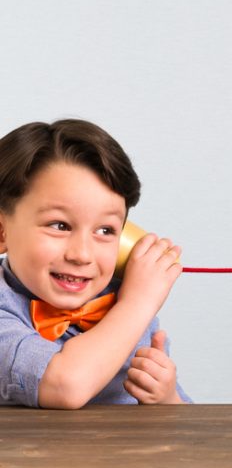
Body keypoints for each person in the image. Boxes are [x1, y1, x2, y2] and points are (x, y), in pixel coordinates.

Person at [0, 119, 190, 407]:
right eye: (59, 225)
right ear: (3, 232)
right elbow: (65, 386)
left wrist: (167, 399)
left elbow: (186, 424)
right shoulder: (135, 304)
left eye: (105, 230)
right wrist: (137, 302)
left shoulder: (125, 301)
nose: (82, 255)